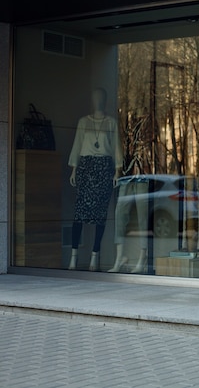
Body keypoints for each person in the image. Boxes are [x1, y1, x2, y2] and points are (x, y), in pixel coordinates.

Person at [68, 88, 122, 271]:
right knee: (79, 213)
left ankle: (94, 256)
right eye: (94, 97)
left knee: (100, 215)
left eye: (100, 97)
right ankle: (73, 257)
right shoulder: (83, 122)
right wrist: (74, 170)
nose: (97, 100)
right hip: (86, 167)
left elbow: (116, 147)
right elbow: (77, 145)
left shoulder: (111, 123)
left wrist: (117, 171)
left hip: (103, 169)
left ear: (105, 100)